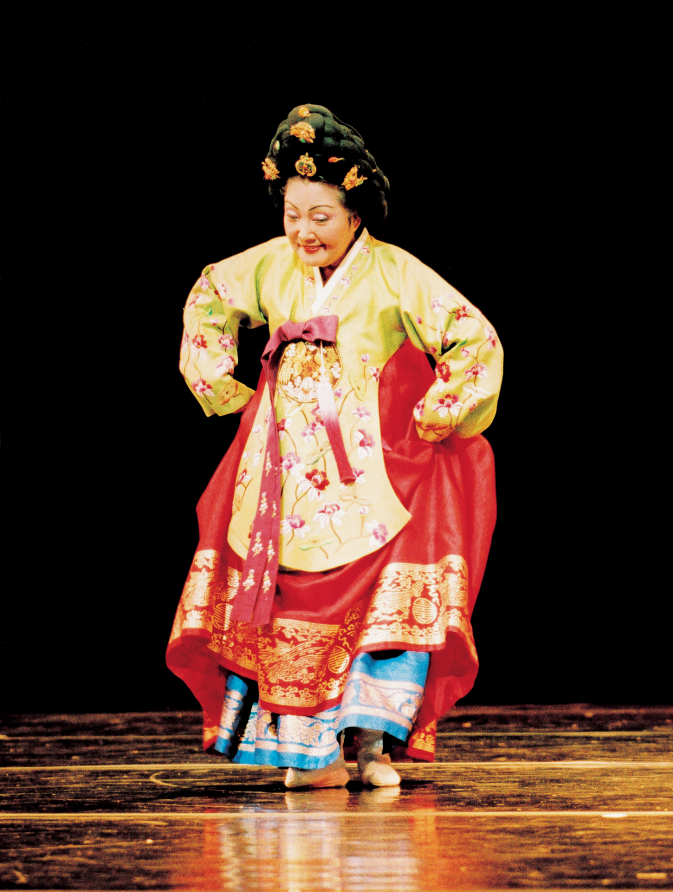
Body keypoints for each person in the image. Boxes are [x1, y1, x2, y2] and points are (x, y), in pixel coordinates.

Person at [166, 104, 503, 789]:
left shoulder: (394, 271)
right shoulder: (269, 264)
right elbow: (208, 298)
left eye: (320, 216)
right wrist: (220, 383)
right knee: (286, 600)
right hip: (285, 474)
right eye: (293, 214)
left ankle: (372, 748)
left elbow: (473, 336)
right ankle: (307, 754)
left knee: (376, 606)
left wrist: (440, 410)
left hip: (374, 470)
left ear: (355, 214)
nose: (303, 231)